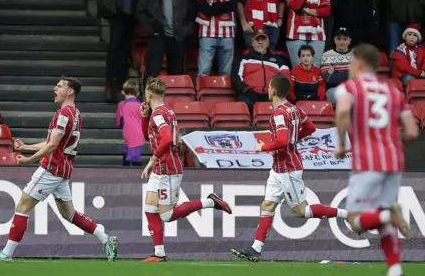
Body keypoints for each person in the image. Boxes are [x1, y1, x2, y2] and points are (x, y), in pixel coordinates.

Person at [0, 77, 120, 262]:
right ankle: (106, 239)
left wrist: (29, 159)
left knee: (23, 205)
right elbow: (53, 142)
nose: (55, 88)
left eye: (60, 86)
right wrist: (26, 147)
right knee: (68, 213)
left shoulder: (63, 114)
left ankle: (6, 254)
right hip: (63, 170)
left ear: (70, 91)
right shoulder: (76, 114)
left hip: (51, 169)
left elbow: (52, 145)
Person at [230, 75, 348, 262]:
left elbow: (283, 141)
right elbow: (310, 128)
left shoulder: (278, 114)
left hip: (288, 168)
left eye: (269, 87)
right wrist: (293, 140)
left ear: (274, 91)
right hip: (279, 167)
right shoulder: (294, 109)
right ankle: (256, 249)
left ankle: (346, 214)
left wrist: (263, 147)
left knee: (300, 212)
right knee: (267, 205)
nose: (267, 89)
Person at [333, 43, 418, 276]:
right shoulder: (394, 91)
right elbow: (412, 131)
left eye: (350, 63)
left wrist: (340, 144)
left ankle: (387, 213)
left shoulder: (349, 87)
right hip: (394, 159)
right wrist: (391, 142)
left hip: (367, 160)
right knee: (381, 221)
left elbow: (342, 113)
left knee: (355, 221)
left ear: (358, 63)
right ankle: (395, 271)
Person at [141, 77, 232, 262]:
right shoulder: (165, 112)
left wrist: (152, 159)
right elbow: (149, 137)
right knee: (150, 208)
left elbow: (166, 139)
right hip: (162, 168)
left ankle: (210, 202)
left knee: (166, 215)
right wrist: (144, 117)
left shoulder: (158, 115)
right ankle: (158, 253)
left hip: (167, 168)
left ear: (149, 94)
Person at [137, 0, 192, 78]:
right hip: (158, 35)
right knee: (152, 73)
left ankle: (174, 98)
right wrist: (151, 30)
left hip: (177, 37)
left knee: (176, 75)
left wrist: (184, 31)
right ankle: (149, 96)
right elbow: (141, 11)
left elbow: (190, 14)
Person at [284, 0, 331, 67]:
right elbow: (295, 6)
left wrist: (306, 10)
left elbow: (327, 10)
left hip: (317, 35)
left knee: (314, 69)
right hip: (295, 35)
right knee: (299, 69)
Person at [196, 0, 237, 77]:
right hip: (207, 31)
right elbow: (203, 8)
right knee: (203, 71)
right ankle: (200, 96)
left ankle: (225, 97)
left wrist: (213, 7)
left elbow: (232, 6)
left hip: (227, 32)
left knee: (226, 72)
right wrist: (223, 5)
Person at [231, 29, 291, 111]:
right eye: (257, 40)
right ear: (252, 42)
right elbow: (236, 78)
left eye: (263, 39)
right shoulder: (243, 59)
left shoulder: (279, 60)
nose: (260, 42)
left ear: (268, 42)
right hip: (249, 96)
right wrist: (248, 91)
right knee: (243, 105)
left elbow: (286, 79)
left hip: (274, 97)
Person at [321, 26, 353, 104]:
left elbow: (360, 77)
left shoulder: (356, 55)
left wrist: (336, 74)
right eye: (339, 39)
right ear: (334, 40)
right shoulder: (326, 55)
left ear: (349, 41)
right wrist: (350, 73)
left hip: (353, 89)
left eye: (345, 39)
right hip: (335, 90)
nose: (342, 42)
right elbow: (328, 79)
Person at [116, 79, 144, 166]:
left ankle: (125, 171)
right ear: (138, 93)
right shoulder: (141, 105)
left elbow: (118, 120)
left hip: (128, 132)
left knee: (129, 152)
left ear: (123, 92)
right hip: (139, 133)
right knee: (134, 155)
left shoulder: (121, 104)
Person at [390, 24, 425, 88]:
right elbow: (404, 67)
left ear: (418, 39)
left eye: (415, 35)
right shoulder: (400, 50)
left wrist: (423, 70)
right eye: (409, 35)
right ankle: (410, 97)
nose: (412, 37)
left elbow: (424, 61)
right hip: (403, 75)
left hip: (418, 73)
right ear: (405, 37)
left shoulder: (420, 50)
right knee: (410, 80)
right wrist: (419, 73)